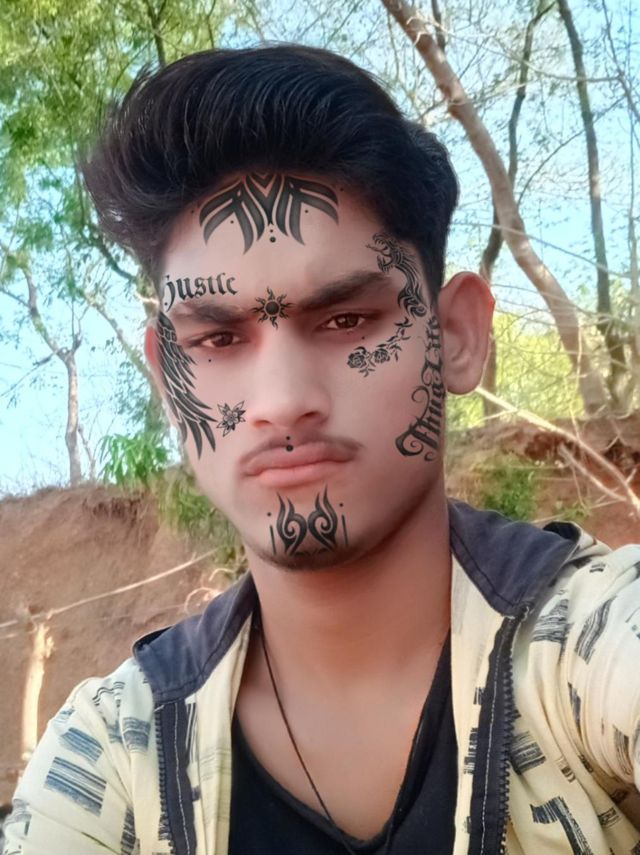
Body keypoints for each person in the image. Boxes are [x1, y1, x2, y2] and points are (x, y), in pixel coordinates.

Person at [4, 44, 640, 855]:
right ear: (167, 379)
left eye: (346, 320)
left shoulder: (587, 647)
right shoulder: (115, 755)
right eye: (218, 338)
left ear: (455, 336)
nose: (280, 399)